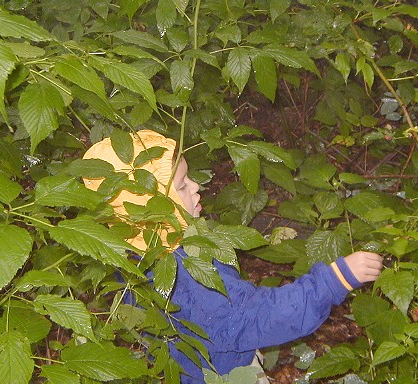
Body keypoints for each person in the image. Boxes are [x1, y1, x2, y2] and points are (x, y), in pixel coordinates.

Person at [82, 130, 383, 384]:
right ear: (154, 209)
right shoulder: (186, 276)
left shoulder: (134, 254)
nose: (196, 187)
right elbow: (254, 317)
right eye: (183, 186)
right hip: (222, 372)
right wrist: (333, 280)